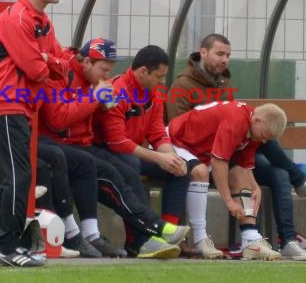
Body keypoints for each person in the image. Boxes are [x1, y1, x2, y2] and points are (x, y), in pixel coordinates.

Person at [166, 33, 306, 260]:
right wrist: (227, 200)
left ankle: (276, 240)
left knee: (277, 174)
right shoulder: (183, 85)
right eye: (219, 54)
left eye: (228, 55)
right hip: (190, 146)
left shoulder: (226, 86)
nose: (225, 60)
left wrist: (253, 183)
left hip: (223, 148)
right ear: (203, 52)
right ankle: (300, 180)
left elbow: (244, 142)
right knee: (220, 167)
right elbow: (209, 148)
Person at [39, 38, 190, 259]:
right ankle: (151, 231)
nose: (107, 76)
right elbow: (60, 121)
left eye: (109, 71)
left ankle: (152, 234)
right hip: (62, 146)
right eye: (104, 70)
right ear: (88, 62)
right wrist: (95, 98)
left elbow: (157, 131)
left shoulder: (102, 83)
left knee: (147, 169)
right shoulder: (64, 76)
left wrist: (170, 157)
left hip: (82, 147)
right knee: (123, 167)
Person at [93, 45, 223, 259]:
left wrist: (170, 156)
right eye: (159, 77)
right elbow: (116, 142)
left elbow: (156, 132)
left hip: (134, 151)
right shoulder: (116, 91)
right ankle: (140, 238)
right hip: (109, 151)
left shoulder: (154, 93)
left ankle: (168, 234)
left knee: (181, 167)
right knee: (131, 165)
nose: (163, 82)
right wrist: (158, 157)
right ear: (143, 71)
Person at [0, 0, 68, 268]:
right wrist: (48, 61)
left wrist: (49, 60)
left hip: (21, 105)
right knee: (17, 176)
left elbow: (61, 66)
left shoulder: (42, 20)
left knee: (10, 177)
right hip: (7, 102)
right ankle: (9, 247)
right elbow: (36, 68)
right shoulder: (16, 16)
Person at [168, 101, 287, 260]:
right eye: (264, 136)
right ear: (257, 120)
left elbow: (244, 164)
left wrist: (254, 186)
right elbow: (218, 162)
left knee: (239, 174)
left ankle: (250, 239)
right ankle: (200, 239)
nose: (264, 141)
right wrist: (229, 201)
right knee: (200, 172)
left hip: (202, 152)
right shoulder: (237, 120)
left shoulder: (253, 126)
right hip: (177, 141)